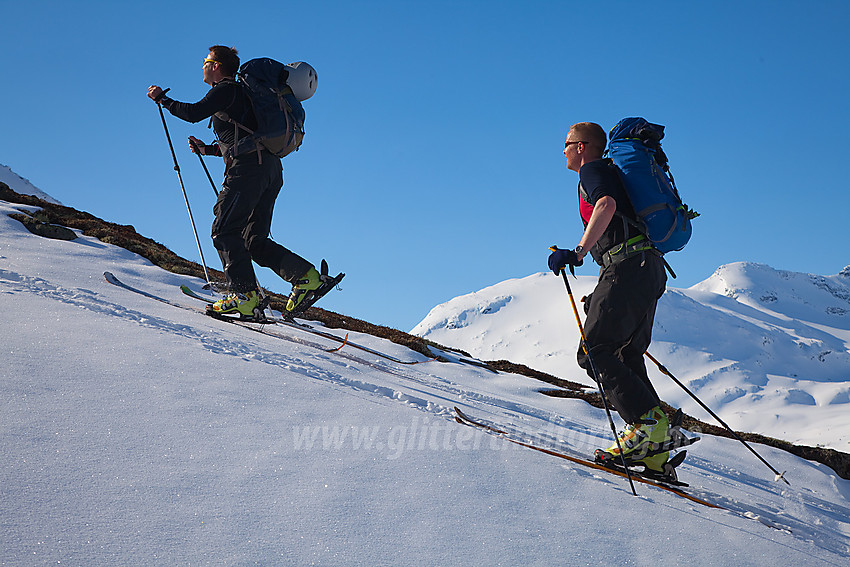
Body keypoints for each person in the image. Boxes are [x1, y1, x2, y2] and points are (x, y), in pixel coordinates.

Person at [147, 45, 321, 317]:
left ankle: (244, 296)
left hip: (249, 171)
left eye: (206, 60)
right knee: (253, 240)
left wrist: (163, 100)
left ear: (216, 65)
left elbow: (193, 113)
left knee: (224, 229)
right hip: (271, 170)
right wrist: (208, 150)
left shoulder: (227, 89)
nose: (203, 65)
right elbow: (245, 139)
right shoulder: (245, 94)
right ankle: (306, 277)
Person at [548, 122, 670, 474]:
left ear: (583, 147)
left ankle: (649, 427)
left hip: (629, 266)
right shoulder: (614, 172)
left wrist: (578, 252)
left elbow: (606, 203)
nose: (564, 150)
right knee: (625, 354)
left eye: (567, 144)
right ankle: (654, 451)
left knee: (595, 351)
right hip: (647, 268)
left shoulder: (594, 170)